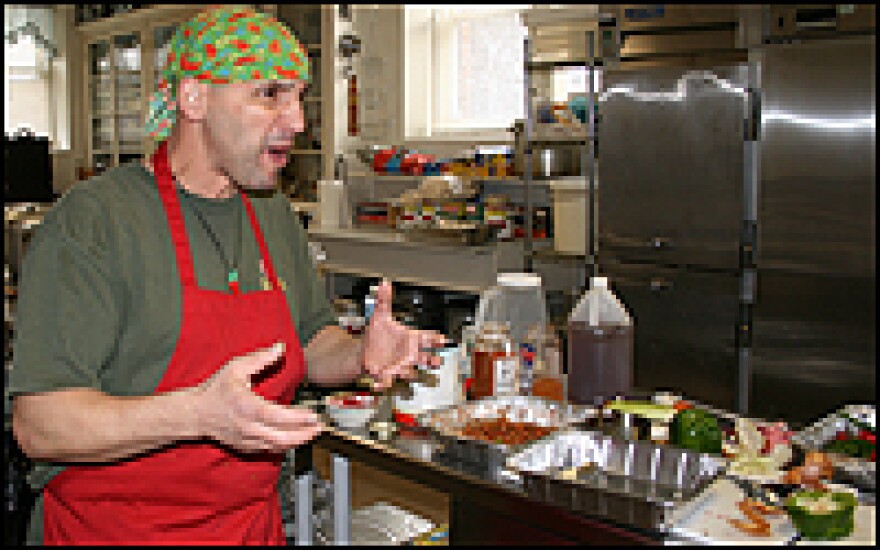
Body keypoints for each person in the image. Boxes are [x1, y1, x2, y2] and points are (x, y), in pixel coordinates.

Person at [8, 6, 446, 545]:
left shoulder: (272, 213)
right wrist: (196, 414)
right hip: (114, 531)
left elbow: (309, 340)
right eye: (270, 94)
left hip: (245, 529)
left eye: (298, 97)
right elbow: (41, 425)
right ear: (194, 98)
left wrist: (359, 353)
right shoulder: (97, 222)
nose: (297, 121)